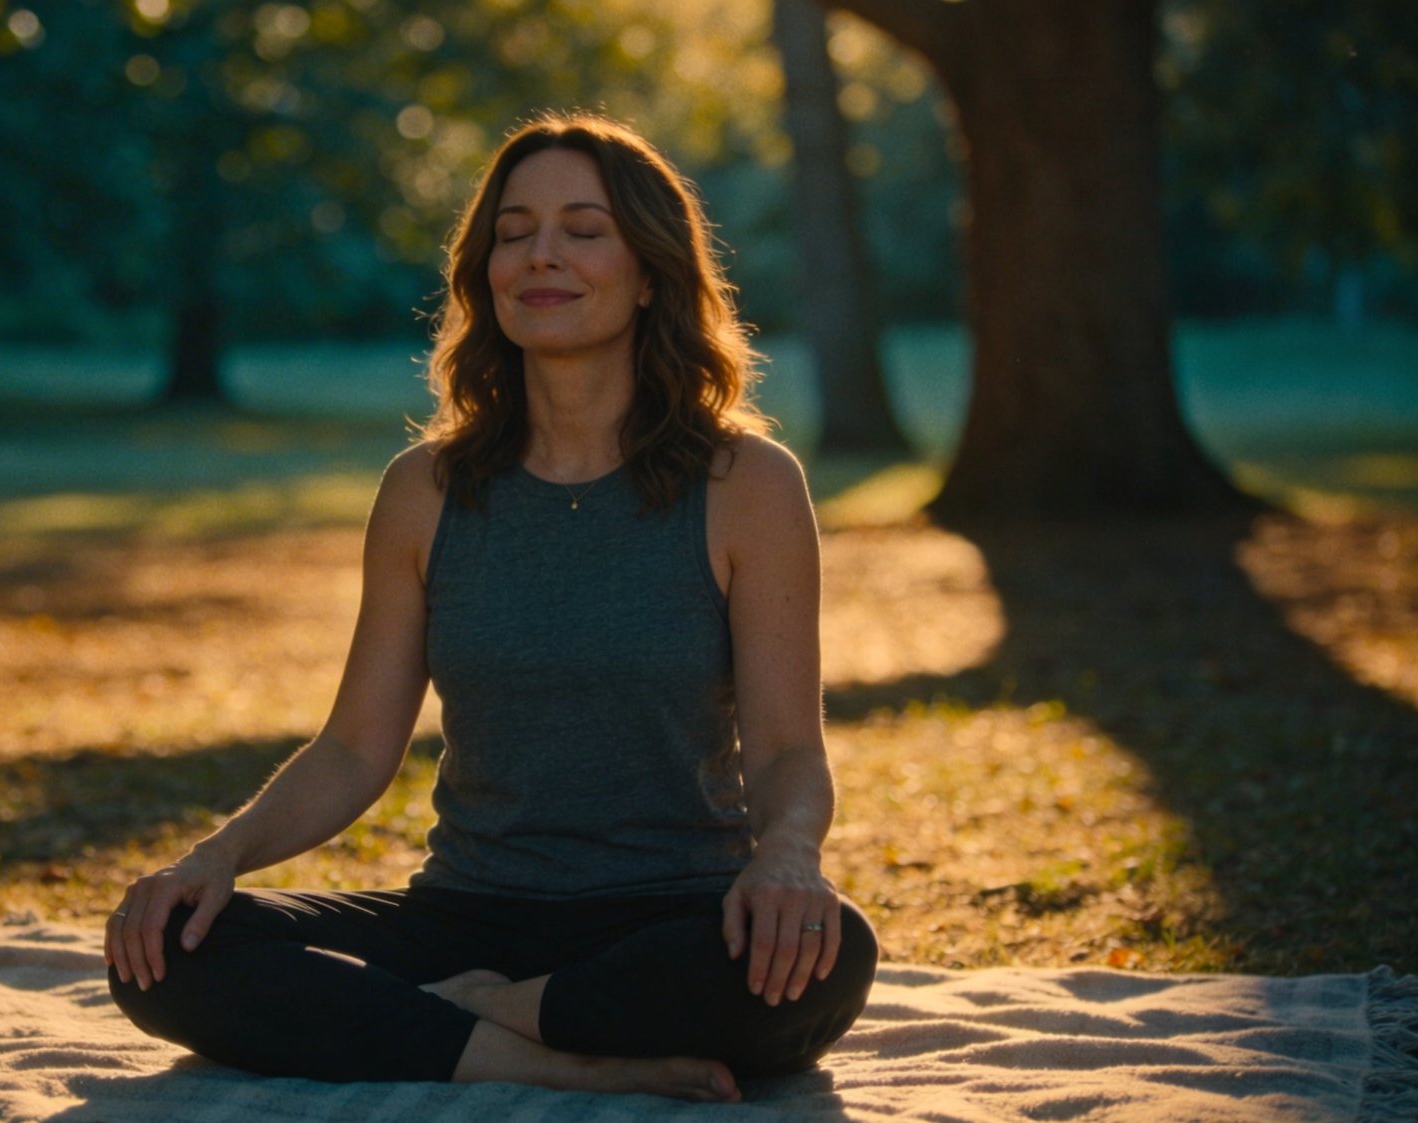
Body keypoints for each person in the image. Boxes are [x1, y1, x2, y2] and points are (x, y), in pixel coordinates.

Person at [104, 111, 877, 1103]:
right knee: (166, 944)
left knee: (825, 953)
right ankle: (541, 1049)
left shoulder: (745, 482)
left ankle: (467, 1015)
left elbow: (782, 754)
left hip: (669, 917)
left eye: (581, 229)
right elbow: (351, 750)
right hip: (462, 916)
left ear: (648, 271)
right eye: (512, 232)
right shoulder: (424, 489)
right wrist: (213, 856)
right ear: (484, 274)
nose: (539, 255)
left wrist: (785, 863)